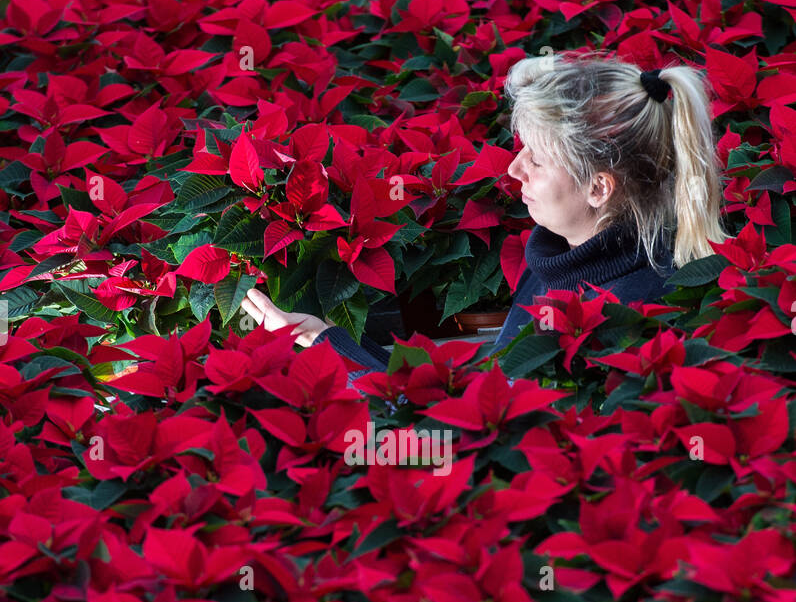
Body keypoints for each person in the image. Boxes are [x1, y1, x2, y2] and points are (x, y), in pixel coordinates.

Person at [241, 52, 728, 374]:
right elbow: (486, 388)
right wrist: (327, 340)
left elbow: (487, 433)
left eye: (535, 159)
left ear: (600, 187)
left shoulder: (632, 310)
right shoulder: (560, 261)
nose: (514, 168)